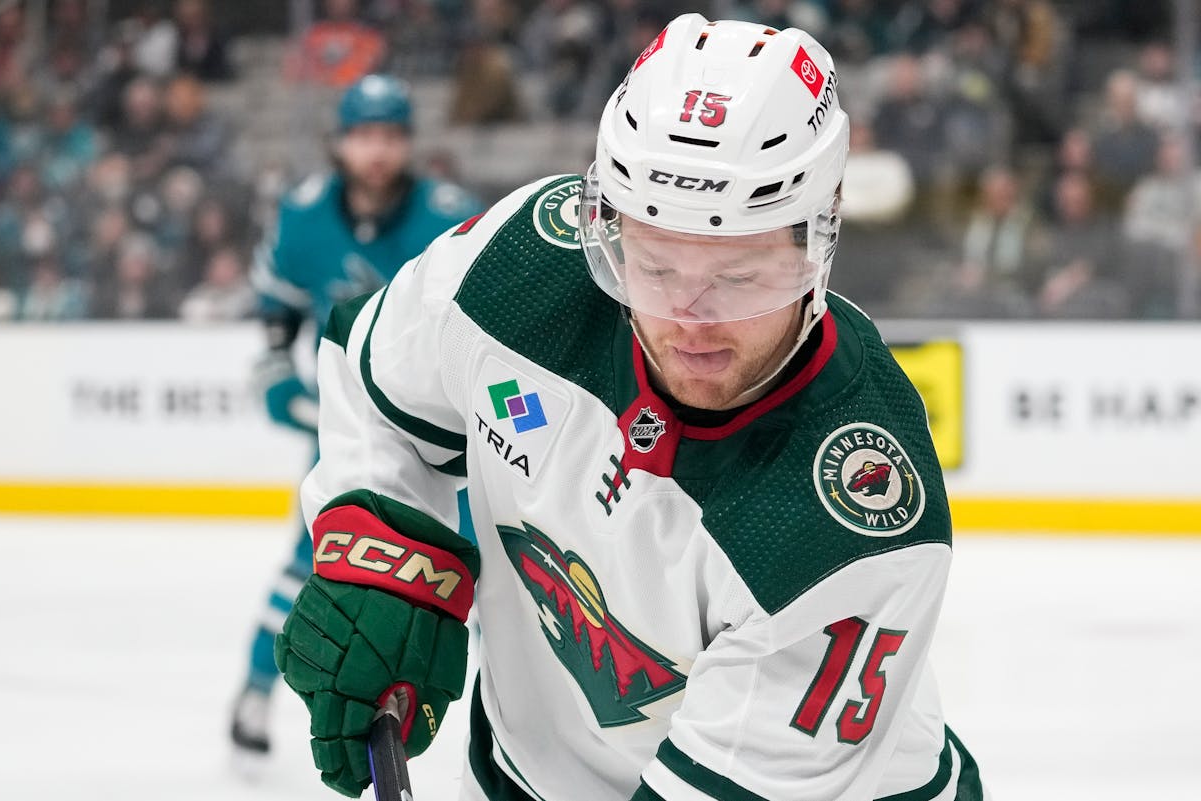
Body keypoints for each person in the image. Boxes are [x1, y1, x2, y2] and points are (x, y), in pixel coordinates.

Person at [274, 15, 986, 801]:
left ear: (817, 242)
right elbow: (372, 373)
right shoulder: (522, 273)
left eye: (740, 276)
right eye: (652, 264)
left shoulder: (848, 518)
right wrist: (387, 551)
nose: (689, 319)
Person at [230, 73, 482, 764]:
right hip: (349, 428)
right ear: (340, 141)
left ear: (409, 143)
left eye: (391, 136)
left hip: (447, 439)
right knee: (313, 561)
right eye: (364, 135)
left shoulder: (450, 216)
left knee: (480, 575)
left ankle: (514, 730)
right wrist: (275, 366)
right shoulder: (304, 214)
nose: (377, 150)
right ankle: (254, 693)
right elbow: (277, 303)